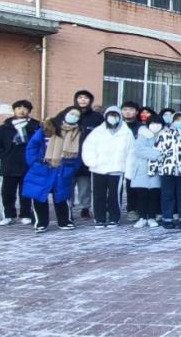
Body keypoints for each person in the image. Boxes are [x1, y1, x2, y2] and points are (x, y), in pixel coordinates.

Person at [23, 107, 83, 233]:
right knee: (39, 196)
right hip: (42, 168)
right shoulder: (47, 128)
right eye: (71, 114)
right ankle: (41, 223)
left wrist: (73, 167)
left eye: (77, 115)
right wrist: (34, 162)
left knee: (62, 197)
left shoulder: (77, 132)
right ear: (64, 114)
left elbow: (79, 153)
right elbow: (32, 146)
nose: (73, 117)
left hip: (63, 168)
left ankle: (65, 221)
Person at [81, 106, 134, 228]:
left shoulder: (126, 133)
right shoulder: (98, 131)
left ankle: (114, 218)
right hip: (98, 168)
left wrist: (128, 169)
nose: (112, 118)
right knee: (98, 194)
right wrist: (92, 162)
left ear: (119, 117)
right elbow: (88, 147)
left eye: (115, 116)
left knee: (114, 195)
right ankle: (99, 218)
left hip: (117, 168)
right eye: (110, 115)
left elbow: (131, 152)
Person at [0, 99, 40, 226]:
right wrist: (4, 156)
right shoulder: (4, 128)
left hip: (28, 165)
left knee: (26, 192)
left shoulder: (36, 127)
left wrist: (36, 159)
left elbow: (41, 145)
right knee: (7, 193)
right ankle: (8, 215)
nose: (21, 111)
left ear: (29, 111)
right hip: (9, 165)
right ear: (14, 110)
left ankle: (26, 214)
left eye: (25, 108)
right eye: (18, 108)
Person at [71, 89, 104, 220]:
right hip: (70, 156)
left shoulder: (97, 117)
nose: (83, 100)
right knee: (68, 185)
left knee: (85, 185)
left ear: (90, 100)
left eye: (86, 98)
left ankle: (85, 208)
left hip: (88, 157)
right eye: (80, 97)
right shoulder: (69, 114)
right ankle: (67, 207)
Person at [126, 115, 162, 228]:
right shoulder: (143, 135)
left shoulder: (164, 135)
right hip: (142, 169)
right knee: (142, 194)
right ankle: (142, 217)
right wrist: (158, 154)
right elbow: (139, 149)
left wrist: (154, 153)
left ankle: (152, 217)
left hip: (157, 170)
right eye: (152, 123)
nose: (155, 126)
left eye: (158, 123)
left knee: (154, 194)